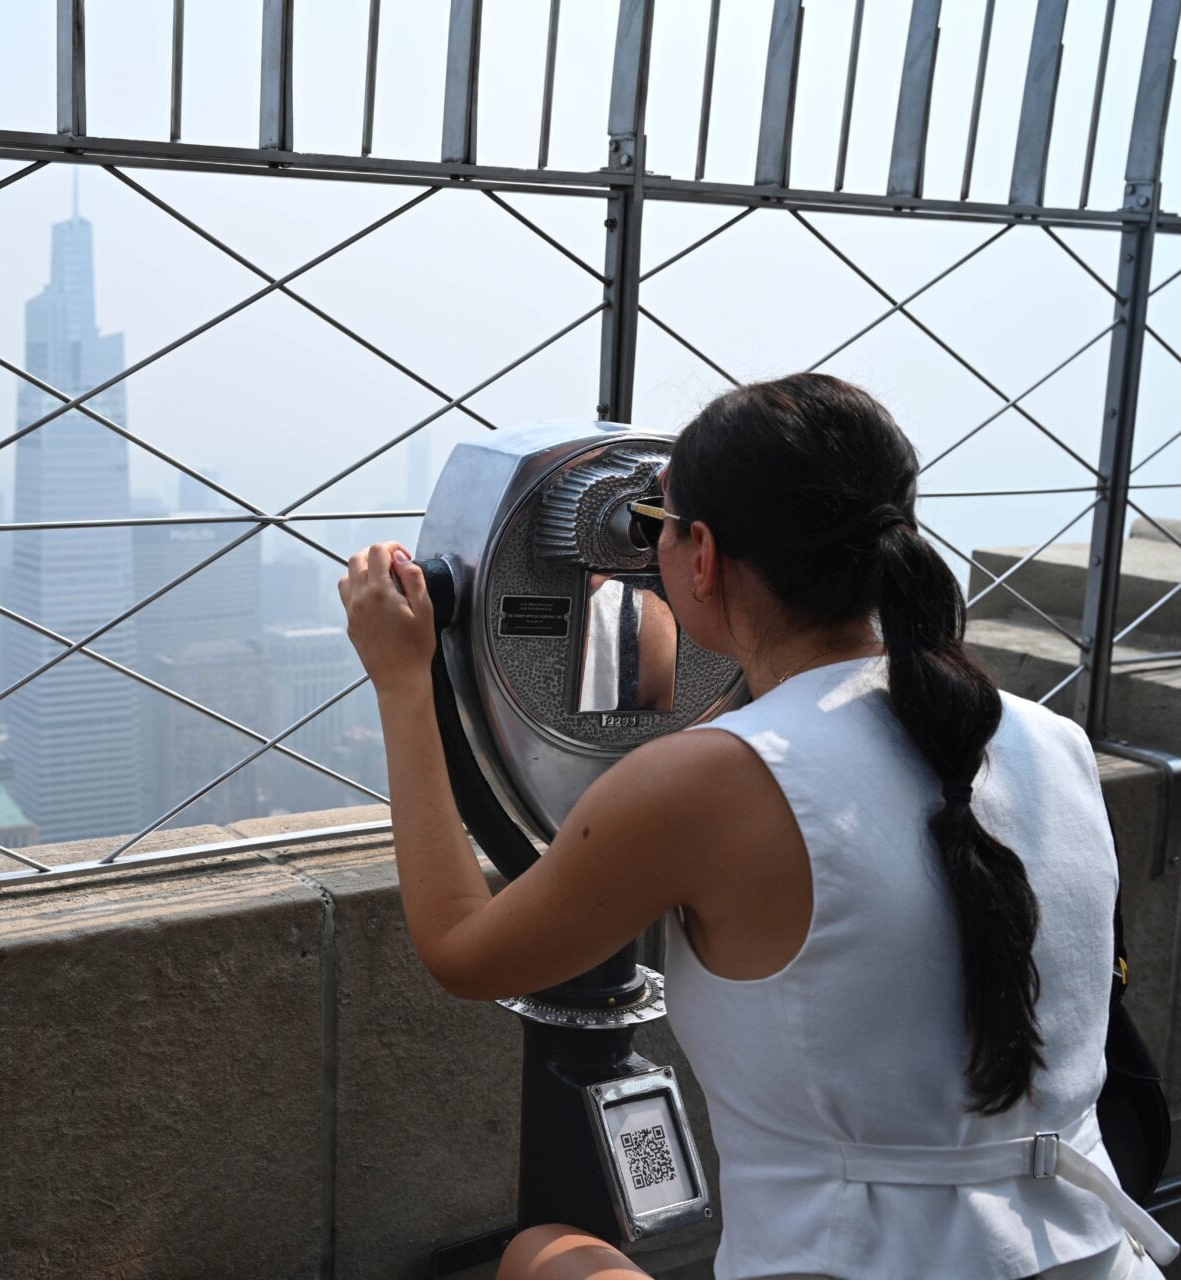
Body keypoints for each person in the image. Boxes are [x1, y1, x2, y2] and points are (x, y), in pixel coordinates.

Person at [338, 374, 1173, 1280]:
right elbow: (814, 748)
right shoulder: (1052, 741)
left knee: (543, 1254)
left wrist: (401, 681)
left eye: (662, 530)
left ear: (702, 559)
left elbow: (463, 948)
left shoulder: (702, 786)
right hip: (1096, 1255)